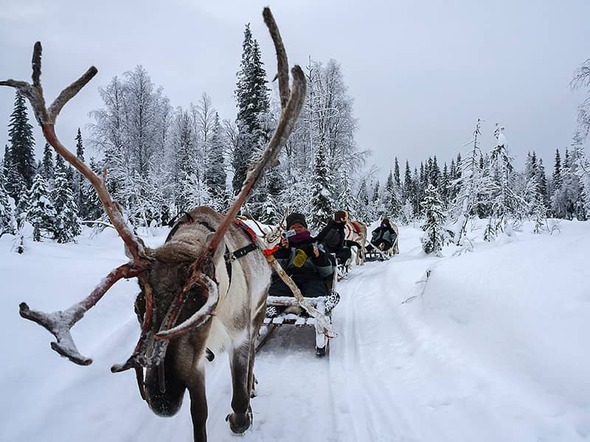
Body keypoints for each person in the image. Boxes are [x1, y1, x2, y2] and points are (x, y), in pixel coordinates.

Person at [268, 212, 335, 299]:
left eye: (300, 226)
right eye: (293, 227)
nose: (297, 229)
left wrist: (319, 257)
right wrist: (283, 251)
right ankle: (276, 309)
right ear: (288, 231)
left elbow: (328, 272)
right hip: (288, 276)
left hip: (312, 277)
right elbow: (275, 271)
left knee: (316, 291)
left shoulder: (316, 244)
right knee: (277, 290)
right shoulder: (282, 246)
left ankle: (313, 310)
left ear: (305, 228)